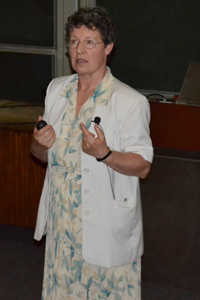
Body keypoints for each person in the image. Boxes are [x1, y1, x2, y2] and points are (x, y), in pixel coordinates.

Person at [30, 6, 153, 300]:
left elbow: (143, 166)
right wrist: (38, 144)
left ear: (108, 47)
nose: (79, 50)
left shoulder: (129, 101)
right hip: (62, 226)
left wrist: (105, 154)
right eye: (73, 41)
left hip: (104, 227)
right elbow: (42, 155)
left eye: (90, 42)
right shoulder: (57, 90)